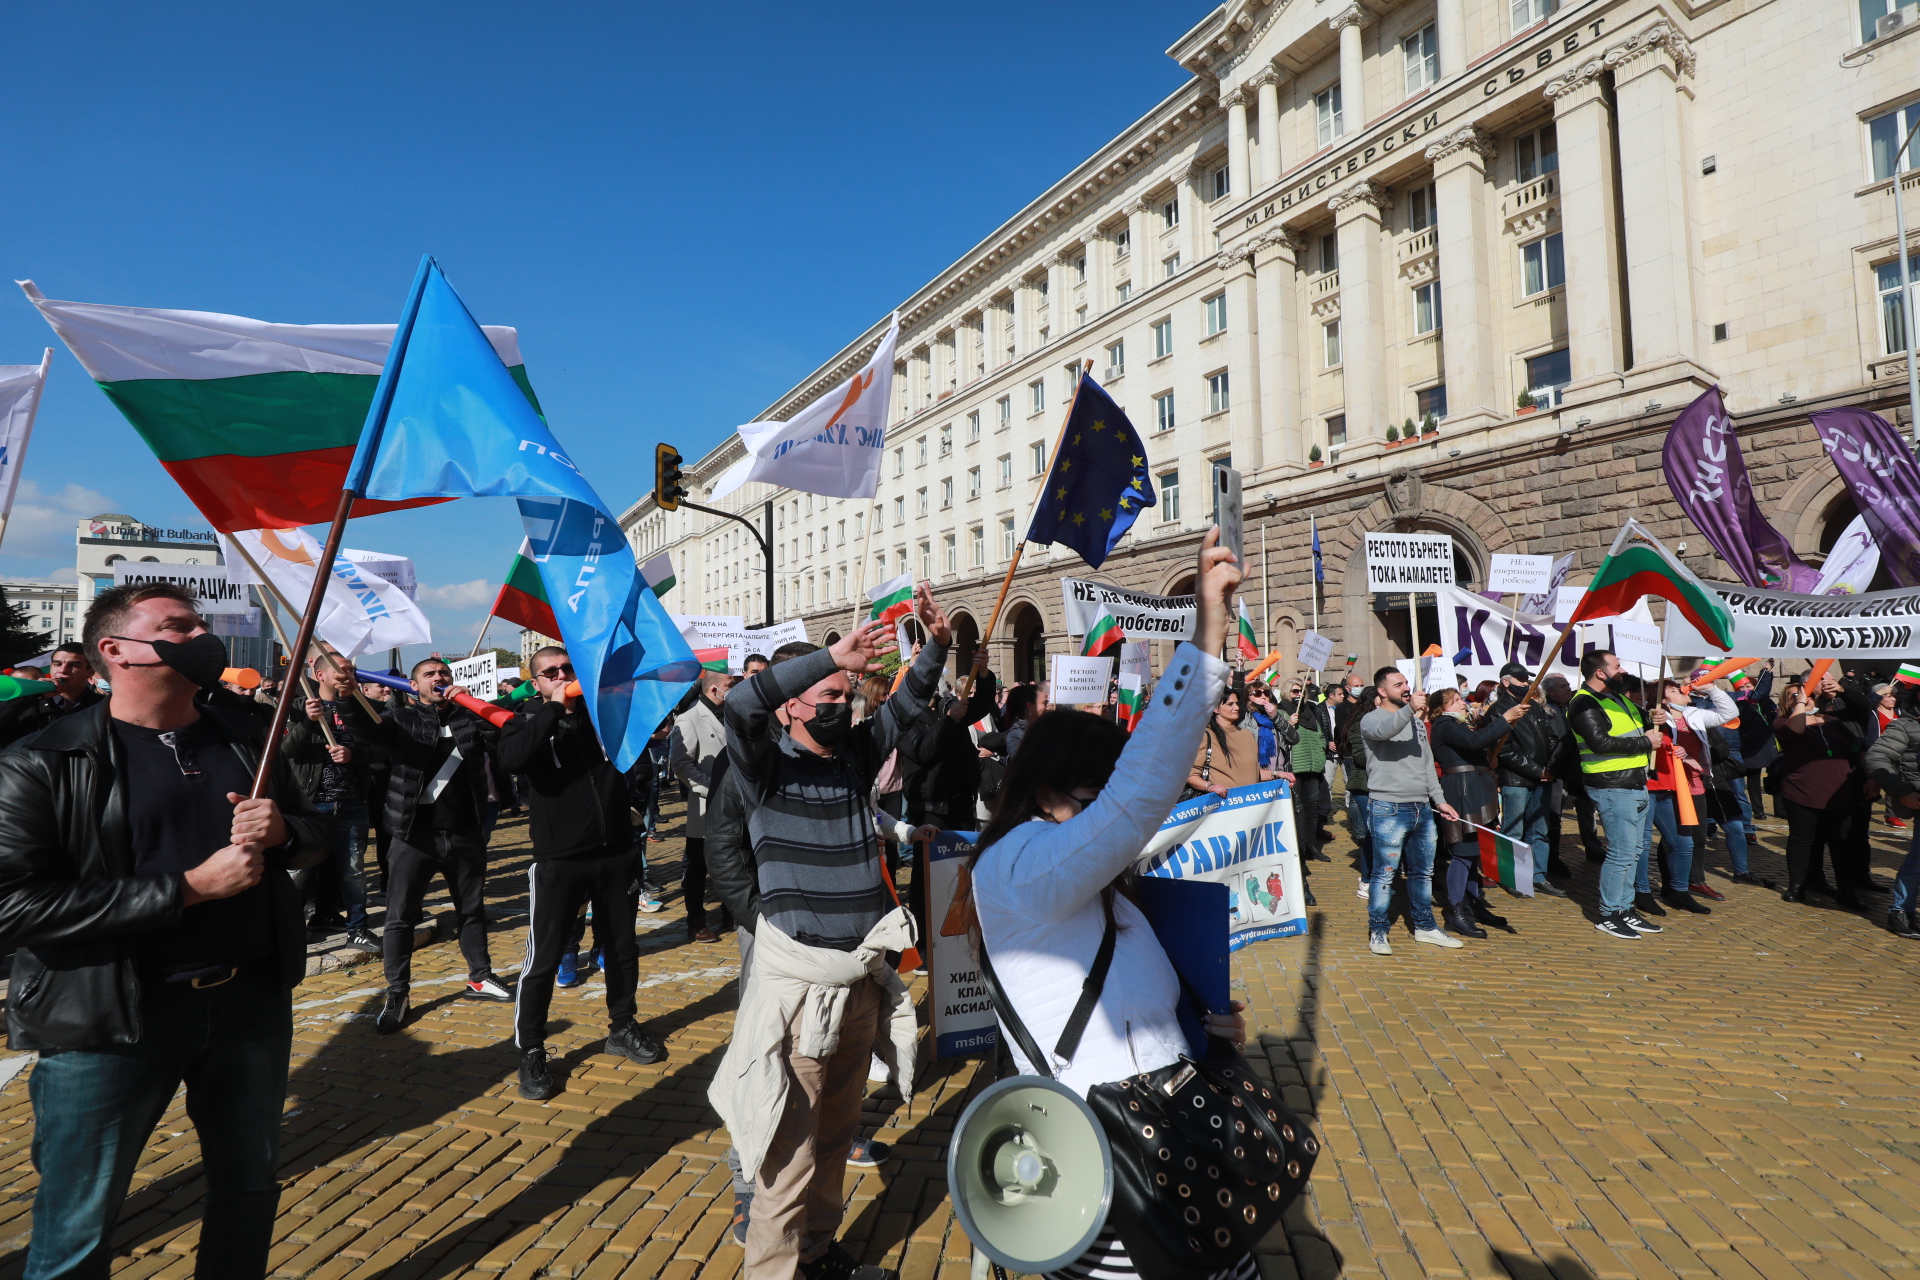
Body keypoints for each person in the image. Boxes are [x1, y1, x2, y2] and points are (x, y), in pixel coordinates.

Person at [0, 581, 328, 1279]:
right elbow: (13, 907)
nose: (199, 635)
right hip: (111, 1019)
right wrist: (187, 889)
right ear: (115, 650)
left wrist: (286, 833)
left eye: (198, 624)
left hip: (250, 1004)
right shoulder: (43, 759)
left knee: (248, 1188)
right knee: (76, 1228)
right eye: (177, 626)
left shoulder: (248, 738)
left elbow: (315, 834)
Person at [970, 530, 1252, 1280]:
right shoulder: (1017, 867)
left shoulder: (1108, 886)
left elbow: (1139, 1001)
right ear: (1046, 793)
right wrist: (1206, 636)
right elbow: (1132, 805)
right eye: (1093, 793)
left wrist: (1207, 1028)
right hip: (1105, 1168)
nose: (1110, 815)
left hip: (1183, 1145)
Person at [709, 587, 952, 1280]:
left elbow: (906, 708)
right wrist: (826, 656)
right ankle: (775, 1270)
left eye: (848, 694)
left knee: (835, 1135)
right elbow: (740, 705)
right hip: (801, 997)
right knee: (785, 1160)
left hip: (860, 986)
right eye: (826, 696)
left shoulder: (851, 761)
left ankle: (817, 1255)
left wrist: (934, 647)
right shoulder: (763, 767)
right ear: (790, 705)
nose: (842, 706)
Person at [498, 646, 667, 1100]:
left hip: (615, 853)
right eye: (550, 672)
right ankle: (531, 1049)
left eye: (568, 669)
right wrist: (554, 710)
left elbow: (646, 727)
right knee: (544, 959)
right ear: (536, 682)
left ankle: (622, 1026)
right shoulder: (524, 720)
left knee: (622, 946)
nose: (561, 675)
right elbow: (513, 759)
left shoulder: (601, 712)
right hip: (559, 859)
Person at [355, 656, 512, 1033]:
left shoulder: (468, 716)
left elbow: (506, 739)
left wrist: (478, 707)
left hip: (465, 833)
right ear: (414, 686)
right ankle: (397, 992)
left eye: (444, 673)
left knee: (471, 910)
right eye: (430, 675)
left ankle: (480, 975)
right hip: (414, 836)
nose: (439, 678)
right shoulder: (400, 720)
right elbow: (368, 733)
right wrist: (345, 699)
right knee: (401, 917)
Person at [1360, 667, 1465, 954]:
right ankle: (1379, 931)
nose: (1406, 687)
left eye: (1407, 683)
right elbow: (1384, 731)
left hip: (1422, 808)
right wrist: (1410, 709)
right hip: (1388, 807)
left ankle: (1425, 926)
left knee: (1423, 872)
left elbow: (1426, 765)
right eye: (1398, 684)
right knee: (1385, 873)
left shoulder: (1417, 723)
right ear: (1382, 691)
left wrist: (1439, 800)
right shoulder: (1372, 719)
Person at [1568, 650, 1666, 941]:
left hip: (1635, 783)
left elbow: (1641, 730)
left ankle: (1625, 908)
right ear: (1600, 672)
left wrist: (1654, 718)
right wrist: (1645, 741)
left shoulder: (1618, 698)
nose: (1622, 670)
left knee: (1634, 852)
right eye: (1617, 666)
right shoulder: (1583, 703)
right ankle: (1609, 914)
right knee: (1621, 853)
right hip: (1612, 785)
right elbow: (1600, 742)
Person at [293, 654, 381, 953]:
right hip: (311, 803)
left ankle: (357, 929)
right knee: (300, 869)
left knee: (353, 870)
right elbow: (284, 750)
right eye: (342, 670)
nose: (349, 674)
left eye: (352, 670)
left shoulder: (363, 708)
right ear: (320, 675)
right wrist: (307, 721)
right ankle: (291, 928)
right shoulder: (295, 706)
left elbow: (382, 751)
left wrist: (353, 755)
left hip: (352, 801)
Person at [1427, 686, 1527, 937]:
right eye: (1457, 699)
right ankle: (1455, 911)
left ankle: (1473, 904)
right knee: (1463, 850)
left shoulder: (1459, 724)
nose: (1463, 703)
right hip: (1462, 792)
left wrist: (1487, 760)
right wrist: (1506, 718)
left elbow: (1473, 748)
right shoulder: (1444, 724)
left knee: (1475, 850)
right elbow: (1473, 742)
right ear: (1443, 707)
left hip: (1475, 789)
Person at [1772, 672, 1871, 908]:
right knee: (1802, 840)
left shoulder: (1833, 722)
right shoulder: (1782, 723)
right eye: (1793, 695)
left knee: (1841, 843)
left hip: (1839, 792)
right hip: (1802, 792)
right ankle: (1797, 886)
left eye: (1804, 692)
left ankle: (1846, 890)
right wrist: (1800, 703)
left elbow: (1858, 748)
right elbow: (1796, 729)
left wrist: (1871, 778)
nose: (1800, 696)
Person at [1646, 678, 1737, 914]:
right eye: (1675, 690)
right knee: (1673, 837)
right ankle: (1672, 885)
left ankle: (1694, 880)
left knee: (1695, 836)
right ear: (1663, 699)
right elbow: (1649, 721)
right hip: (1670, 784)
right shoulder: (1658, 717)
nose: (1684, 692)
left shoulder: (1694, 714)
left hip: (1693, 782)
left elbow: (1728, 712)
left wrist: (1711, 689)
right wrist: (1655, 716)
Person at [1491, 663, 1568, 897]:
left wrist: (1552, 765)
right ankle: (1510, 877)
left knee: (1540, 830)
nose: (1526, 682)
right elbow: (1504, 750)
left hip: (1542, 777)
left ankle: (1538, 876)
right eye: (1520, 678)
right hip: (1516, 778)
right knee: (1513, 829)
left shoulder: (1533, 705)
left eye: (1527, 678)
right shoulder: (1498, 709)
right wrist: (1537, 770)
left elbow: (1549, 737)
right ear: (1506, 682)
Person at [673, 670, 734, 943]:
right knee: (698, 868)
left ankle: (731, 912)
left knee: (734, 861)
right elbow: (682, 765)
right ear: (714, 689)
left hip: (736, 805)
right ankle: (695, 922)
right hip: (705, 807)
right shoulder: (688, 719)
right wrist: (713, 787)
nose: (734, 690)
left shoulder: (735, 715)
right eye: (730, 686)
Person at [1864, 686, 1920, 936]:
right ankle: (1900, 911)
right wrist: (1901, 792)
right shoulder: (1906, 725)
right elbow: (1877, 758)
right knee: (1918, 862)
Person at [0, 642, 101, 748]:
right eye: (57, 664)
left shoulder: (103, 705)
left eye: (73, 665)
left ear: (89, 672)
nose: (62, 670)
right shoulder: (28, 703)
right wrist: (32, 697)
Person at [1341, 684, 1377, 898]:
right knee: (1372, 832)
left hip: (1381, 785)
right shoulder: (1358, 724)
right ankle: (1366, 880)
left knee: (1380, 833)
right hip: (1364, 784)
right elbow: (1361, 757)